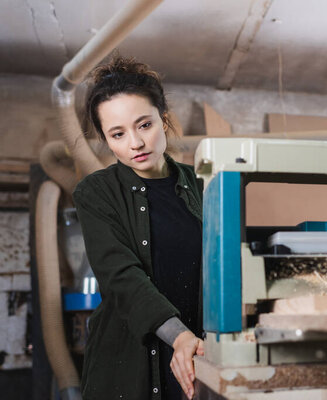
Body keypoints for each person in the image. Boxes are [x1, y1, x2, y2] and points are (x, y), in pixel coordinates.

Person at [73, 55, 204, 400]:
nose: (135, 143)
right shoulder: (96, 193)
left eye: (144, 125)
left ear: (163, 119)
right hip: (126, 366)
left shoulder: (204, 186)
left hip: (196, 357)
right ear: (106, 138)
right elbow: (120, 277)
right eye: (118, 134)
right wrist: (178, 335)